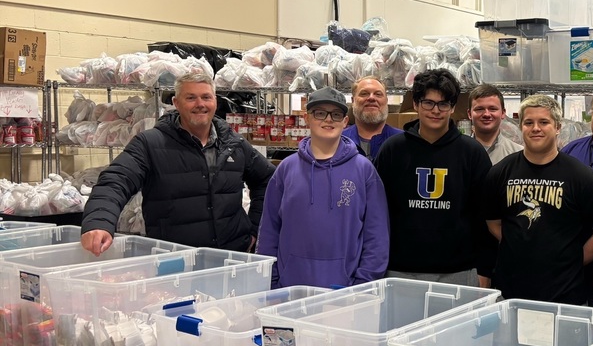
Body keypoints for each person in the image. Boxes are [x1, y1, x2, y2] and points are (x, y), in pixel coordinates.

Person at [80, 71, 275, 254]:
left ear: (215, 101)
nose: (200, 104)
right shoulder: (150, 144)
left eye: (206, 97)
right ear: (176, 102)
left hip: (232, 257)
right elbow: (116, 180)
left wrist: (256, 228)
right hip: (176, 261)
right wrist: (99, 221)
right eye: (191, 98)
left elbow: (268, 181)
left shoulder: (233, 143)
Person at [257, 87, 389, 289]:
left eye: (336, 115)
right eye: (320, 113)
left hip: (345, 292)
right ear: (307, 118)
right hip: (288, 290)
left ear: (345, 122)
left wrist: (362, 285)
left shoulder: (364, 170)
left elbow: (376, 236)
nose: (328, 120)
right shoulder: (286, 169)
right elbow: (269, 231)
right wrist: (271, 282)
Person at [374, 68, 492, 285]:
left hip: (459, 272)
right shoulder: (393, 150)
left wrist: (484, 270)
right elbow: (377, 214)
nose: (435, 110)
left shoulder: (472, 153)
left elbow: (484, 219)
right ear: (416, 104)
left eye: (443, 104)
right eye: (428, 103)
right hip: (400, 271)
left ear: (453, 107)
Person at [484, 94, 593, 305]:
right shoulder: (501, 172)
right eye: (528, 122)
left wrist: (572, 260)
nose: (535, 128)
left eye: (544, 122)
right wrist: (519, 247)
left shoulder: (581, 176)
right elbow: (492, 221)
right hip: (511, 291)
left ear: (557, 127)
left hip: (564, 294)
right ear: (521, 127)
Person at [342, 76, 401, 159]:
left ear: (386, 101)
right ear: (353, 101)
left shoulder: (403, 142)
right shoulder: (339, 141)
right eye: (364, 94)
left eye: (378, 94)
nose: (371, 98)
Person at [468, 83, 523, 165]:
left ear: (503, 113)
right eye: (479, 109)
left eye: (492, 109)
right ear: (469, 114)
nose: (486, 114)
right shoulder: (457, 151)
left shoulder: (519, 154)